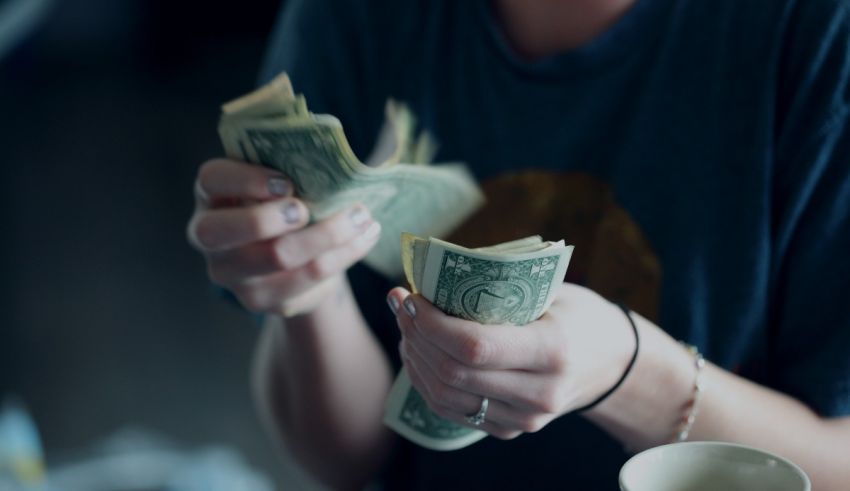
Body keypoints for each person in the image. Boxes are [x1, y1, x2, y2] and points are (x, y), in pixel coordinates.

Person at [187, 0, 850, 489]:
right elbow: (348, 460)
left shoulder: (820, 35)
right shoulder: (353, 18)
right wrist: (308, 293)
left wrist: (632, 372)